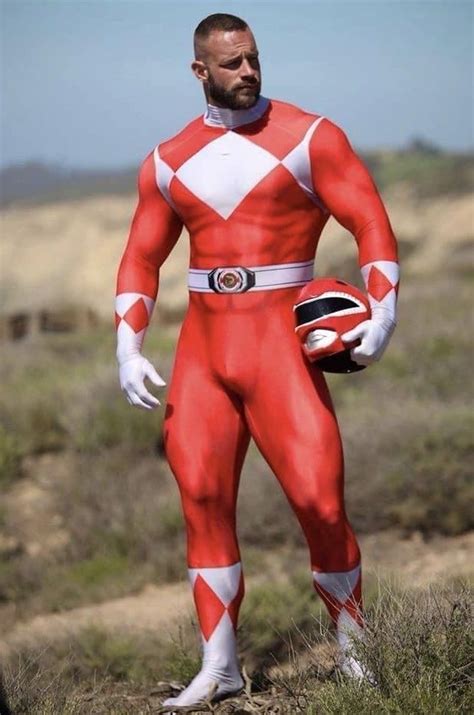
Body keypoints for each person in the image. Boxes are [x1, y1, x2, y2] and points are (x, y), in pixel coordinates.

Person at [114, 12, 399, 709]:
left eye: (253, 58)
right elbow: (141, 256)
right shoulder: (167, 158)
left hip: (280, 349)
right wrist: (127, 344)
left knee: (320, 503)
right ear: (199, 71)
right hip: (204, 352)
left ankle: (355, 655)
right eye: (232, 62)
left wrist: (384, 307)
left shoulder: (309, 136)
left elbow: (369, 218)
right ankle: (221, 666)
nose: (248, 72)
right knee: (203, 502)